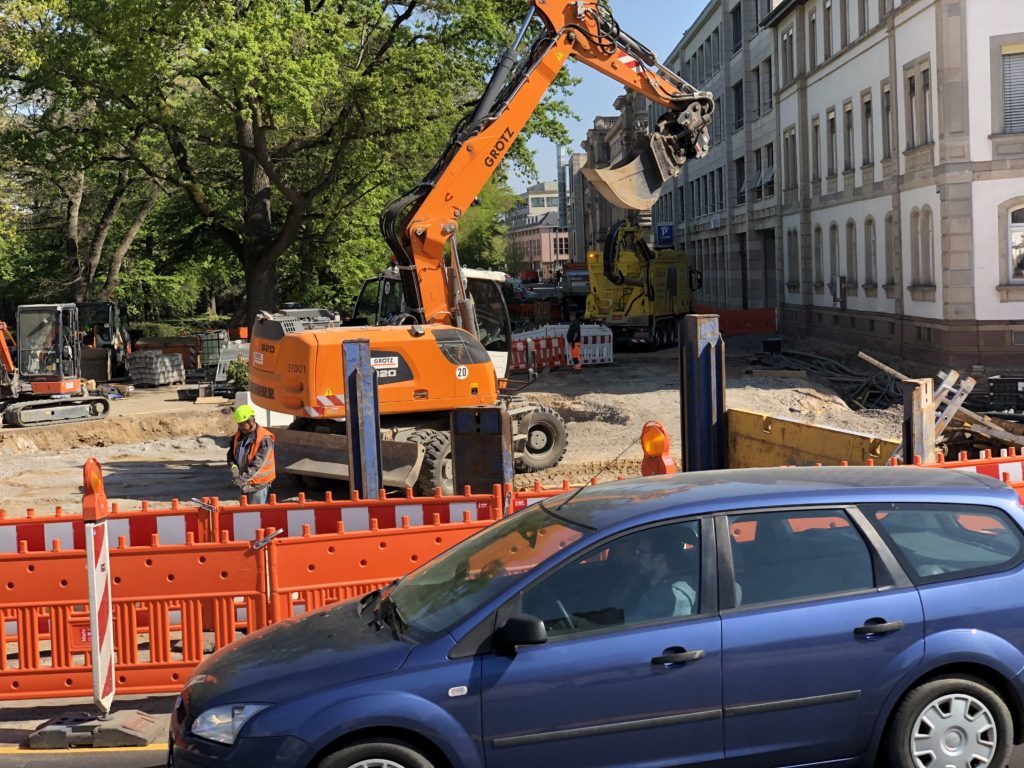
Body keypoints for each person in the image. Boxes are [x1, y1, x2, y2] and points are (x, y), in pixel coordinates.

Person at [624, 534, 697, 623]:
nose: (635, 558)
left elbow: (631, 628)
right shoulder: (655, 587)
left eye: (641, 552)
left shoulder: (665, 597)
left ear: (661, 558)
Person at [227, 404, 276, 505]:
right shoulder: (239, 435)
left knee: (255, 515)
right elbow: (231, 454)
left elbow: (257, 465)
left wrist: (241, 479)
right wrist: (234, 469)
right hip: (244, 482)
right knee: (244, 514)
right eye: (238, 424)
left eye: (242, 424)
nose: (239, 427)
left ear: (251, 421)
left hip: (258, 484)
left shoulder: (264, 439)